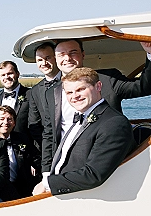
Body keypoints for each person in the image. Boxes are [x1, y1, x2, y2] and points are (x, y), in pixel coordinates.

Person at [41, 39, 151, 172]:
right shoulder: (50, 93)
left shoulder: (107, 79)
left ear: (83, 54)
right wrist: (46, 172)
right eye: (61, 54)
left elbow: (143, 87)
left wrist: (150, 53)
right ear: (56, 59)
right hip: (66, 166)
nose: (67, 58)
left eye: (73, 52)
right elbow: (49, 134)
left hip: (109, 163)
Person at [33, 67, 136, 195]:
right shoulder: (80, 118)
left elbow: (94, 175)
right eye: (69, 92)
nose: (75, 96)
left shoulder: (114, 123)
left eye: (81, 89)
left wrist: (48, 184)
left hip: (86, 199)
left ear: (98, 86)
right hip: (63, 196)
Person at [0, 105, 40, 198]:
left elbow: (36, 159)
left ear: (14, 123)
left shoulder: (22, 138)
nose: (6, 122)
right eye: (2, 119)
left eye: (9, 119)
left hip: (21, 189)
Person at [27, 42, 60, 148]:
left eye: (48, 58)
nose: (44, 63)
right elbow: (34, 123)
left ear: (56, 58)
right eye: (40, 60)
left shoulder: (72, 81)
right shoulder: (34, 91)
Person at [0, 61, 30, 137]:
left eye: (10, 73)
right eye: (3, 75)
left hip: (26, 144)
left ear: (17, 74)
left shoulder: (30, 94)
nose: (6, 77)